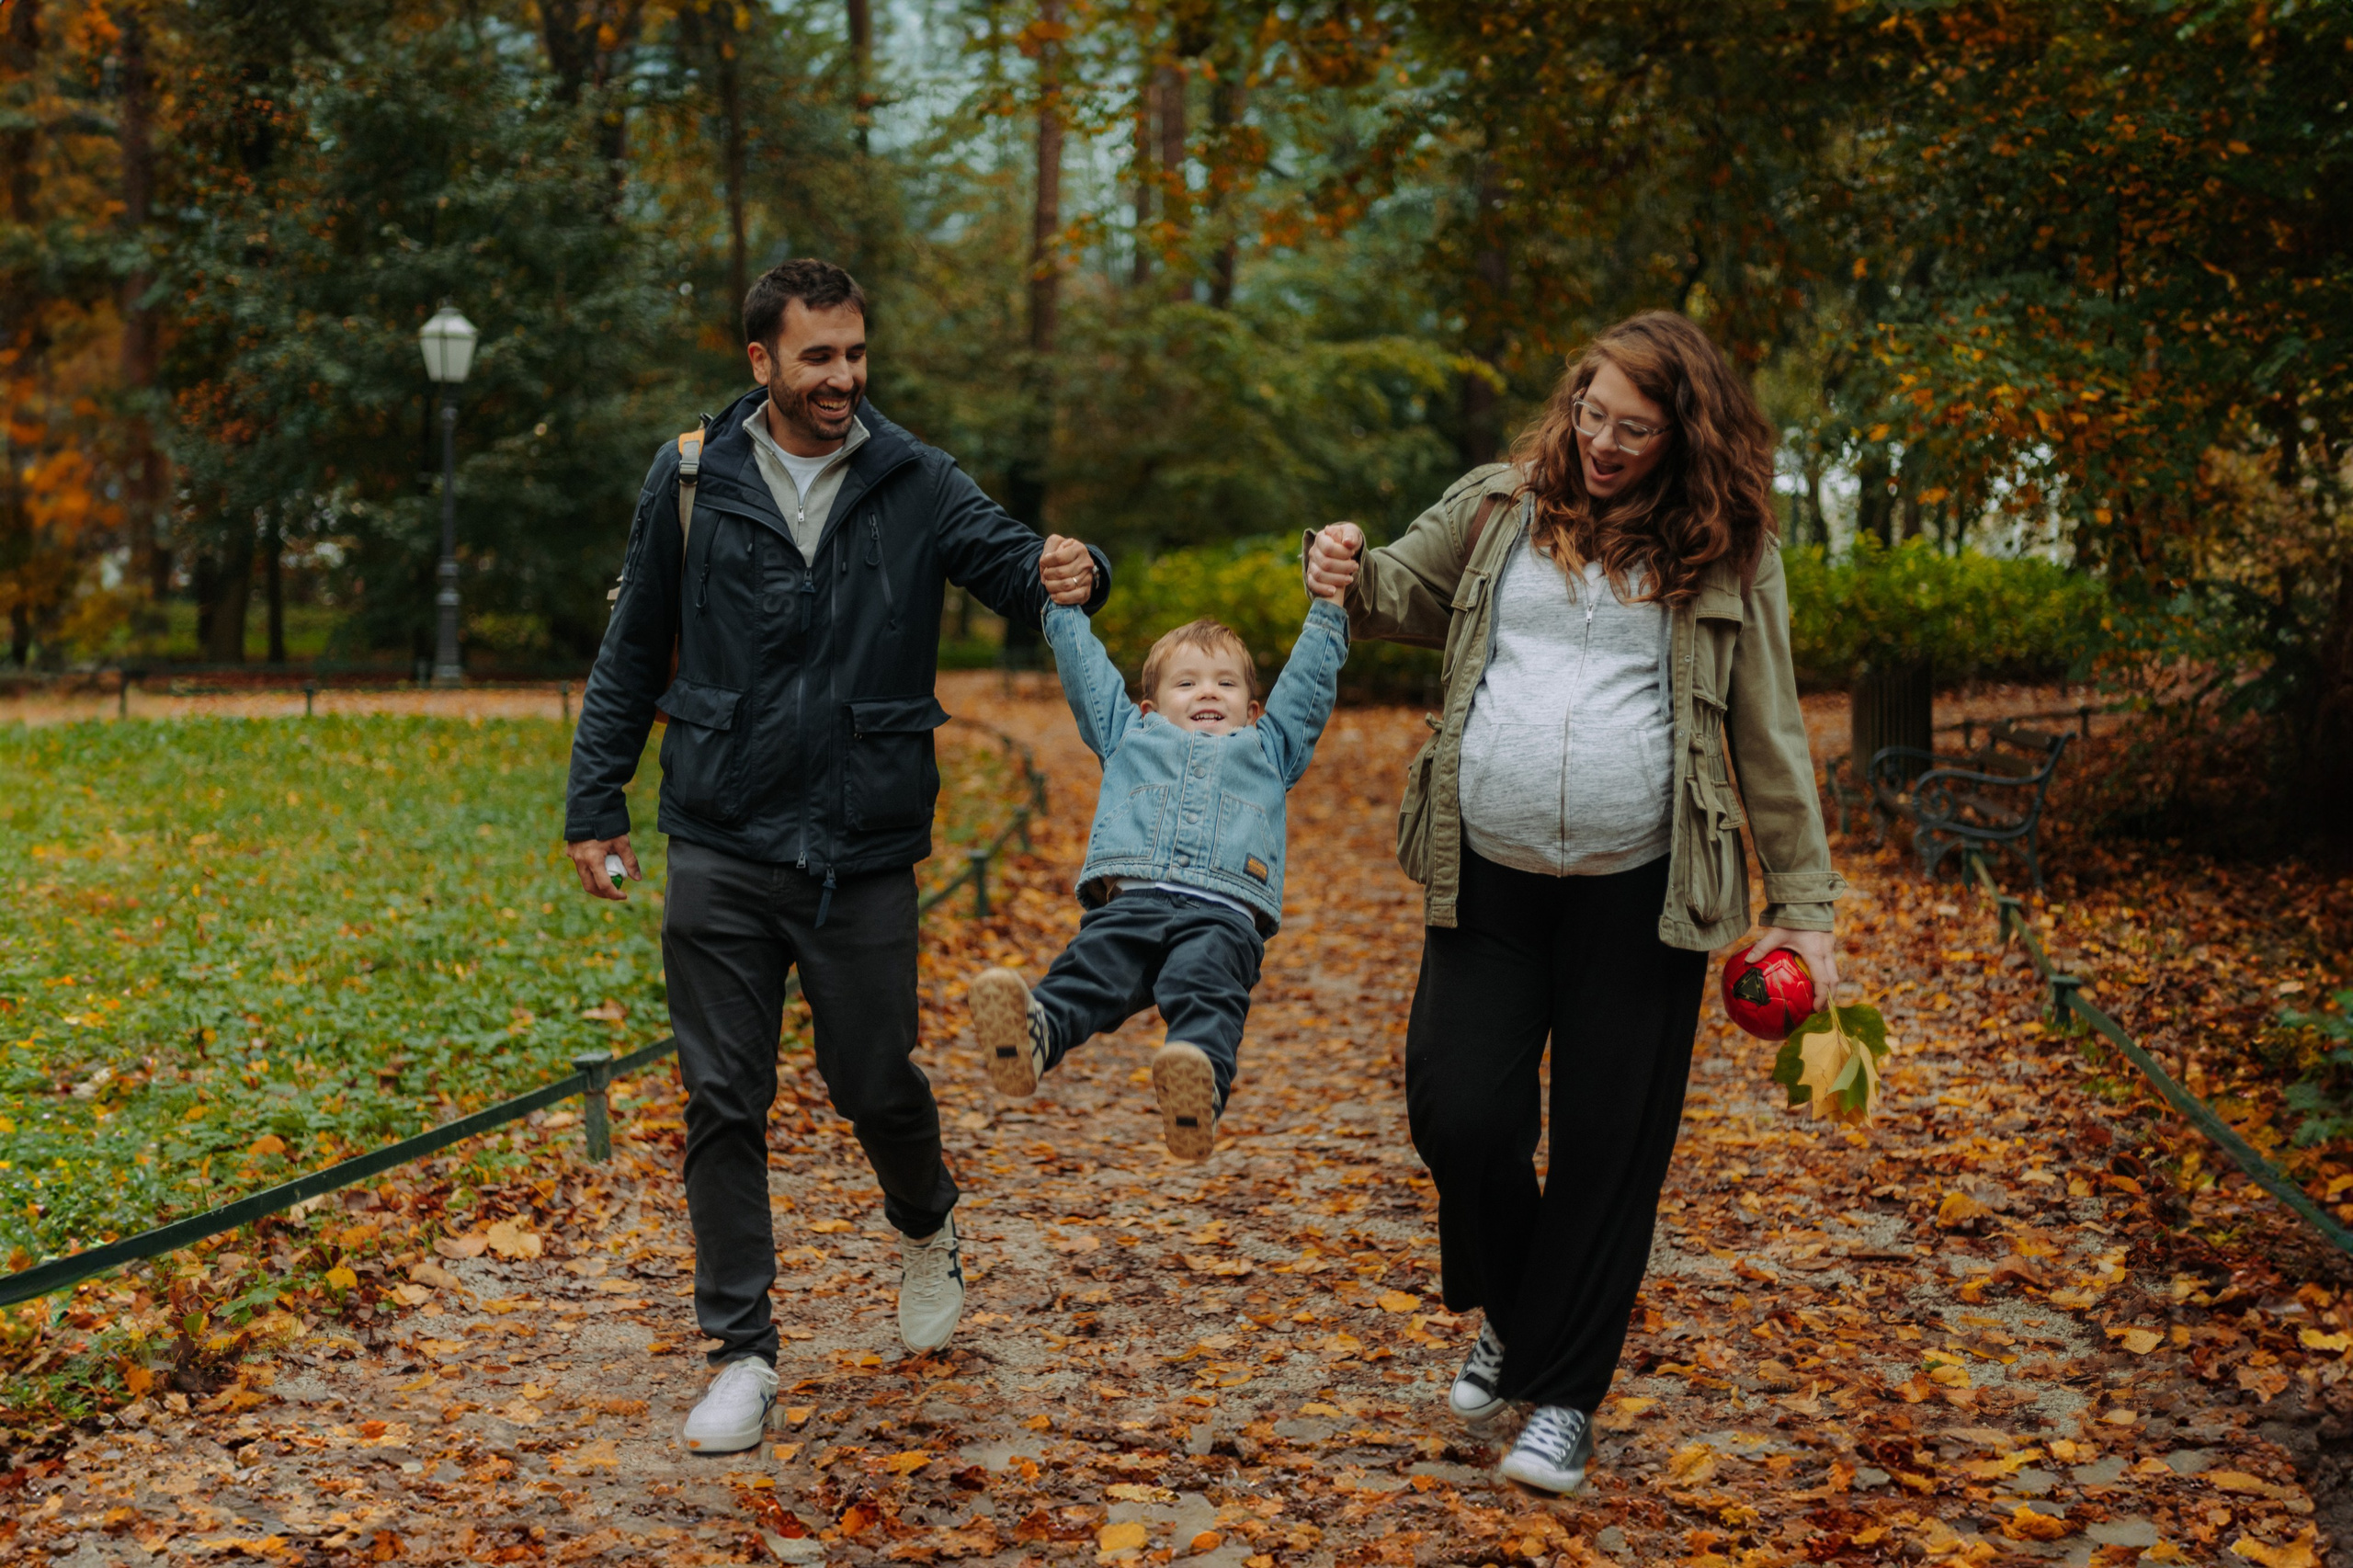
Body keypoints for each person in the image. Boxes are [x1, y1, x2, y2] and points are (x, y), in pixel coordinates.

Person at [562, 258, 1109, 1456]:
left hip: (860, 844)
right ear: (761, 361)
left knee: (872, 1079)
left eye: (856, 354)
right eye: (819, 358)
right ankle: (742, 1351)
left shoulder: (912, 477)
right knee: (722, 1096)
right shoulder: (693, 476)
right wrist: (593, 805)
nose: (843, 379)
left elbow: (1018, 569)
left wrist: (1076, 572)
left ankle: (925, 1222)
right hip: (718, 828)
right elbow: (632, 645)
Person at [1304, 312, 1845, 1495]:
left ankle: (1561, 1393)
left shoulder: (1732, 547)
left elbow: (1769, 727)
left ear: (1681, 434)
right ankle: (1522, 1305)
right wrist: (1341, 565)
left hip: (1641, 892)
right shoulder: (1501, 503)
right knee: (1461, 1114)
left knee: (1611, 1150)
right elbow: (1398, 591)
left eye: (1633, 430)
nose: (1603, 442)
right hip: (1486, 874)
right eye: (1593, 415)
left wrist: (1803, 901)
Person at [966, 568, 1349, 1161]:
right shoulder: (1128, 734)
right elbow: (1089, 677)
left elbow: (1307, 688)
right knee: (1091, 971)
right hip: (1132, 903)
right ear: (1150, 705)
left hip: (1223, 914)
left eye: (1225, 683)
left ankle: (1195, 1090)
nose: (1207, 692)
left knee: (1207, 990)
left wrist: (1328, 609)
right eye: (1187, 682)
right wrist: (1063, 610)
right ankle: (1035, 1035)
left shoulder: (1268, 748)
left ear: (1251, 710)